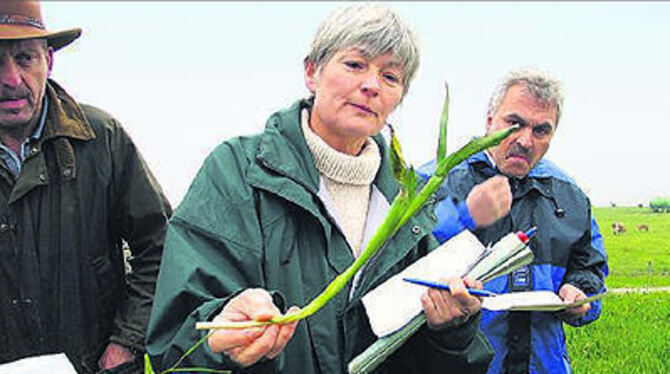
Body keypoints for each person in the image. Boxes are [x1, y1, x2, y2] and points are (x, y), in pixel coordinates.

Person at [146, 4, 494, 373]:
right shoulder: (238, 171)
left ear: (399, 98)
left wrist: (452, 331)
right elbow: (176, 340)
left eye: (390, 77)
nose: (371, 85)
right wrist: (222, 334)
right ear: (312, 72)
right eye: (355, 64)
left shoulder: (409, 204)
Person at [0, 2, 172, 373]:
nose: (12, 79)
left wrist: (126, 343)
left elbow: (161, 246)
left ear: (49, 60)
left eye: (25, 58)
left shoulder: (101, 139)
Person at [418, 68, 609, 374]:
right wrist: (465, 217)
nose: (525, 140)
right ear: (489, 119)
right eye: (514, 123)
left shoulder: (569, 195)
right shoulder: (434, 182)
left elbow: (590, 264)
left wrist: (581, 293)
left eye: (541, 130)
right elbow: (401, 260)